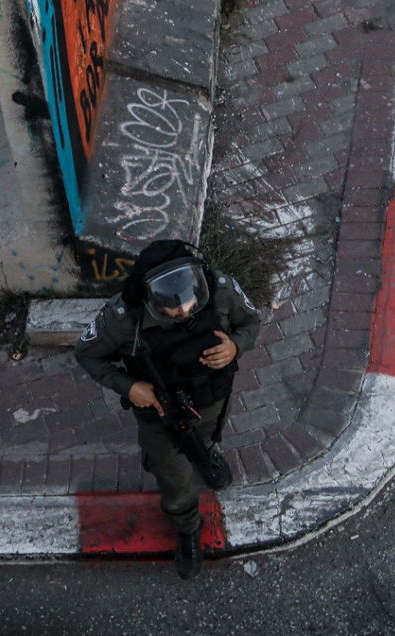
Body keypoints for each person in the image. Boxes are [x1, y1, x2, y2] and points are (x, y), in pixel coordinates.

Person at [74, 239, 263, 579]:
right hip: (160, 413)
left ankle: (207, 456)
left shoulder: (219, 290)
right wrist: (129, 387)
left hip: (212, 398)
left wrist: (236, 346)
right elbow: (87, 354)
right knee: (175, 480)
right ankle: (188, 529)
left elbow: (251, 322)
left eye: (189, 301)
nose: (183, 312)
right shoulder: (123, 317)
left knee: (208, 438)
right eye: (171, 308)